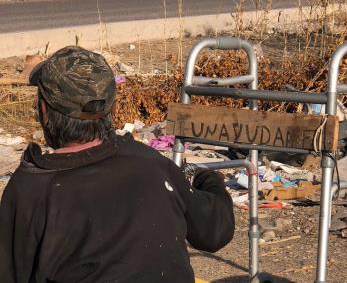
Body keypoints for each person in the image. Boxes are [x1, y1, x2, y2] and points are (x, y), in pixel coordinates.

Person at [0, 46, 235, 283]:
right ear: (112, 108)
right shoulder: (149, 162)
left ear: (44, 110)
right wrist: (210, 181)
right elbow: (215, 231)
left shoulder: (31, 191)